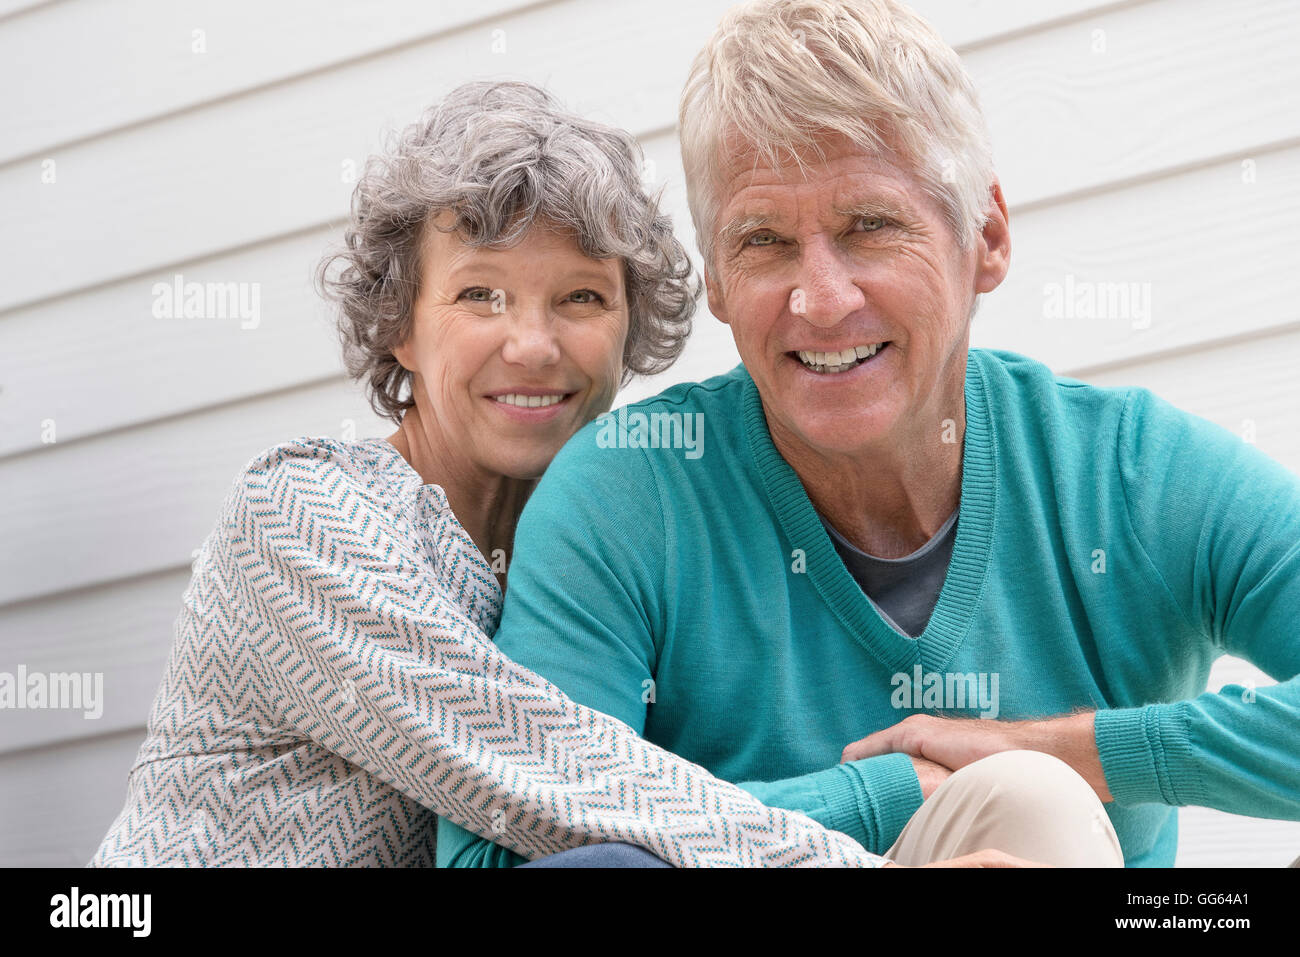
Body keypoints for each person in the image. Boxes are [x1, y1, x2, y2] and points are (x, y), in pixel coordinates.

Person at [437, 0, 1299, 868]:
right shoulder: (628, 494)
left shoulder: (1132, 476)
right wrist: (883, 794)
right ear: (720, 287)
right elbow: (498, 852)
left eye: (870, 227)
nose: (820, 298)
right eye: (764, 241)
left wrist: (1073, 753)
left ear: (986, 237)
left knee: (1030, 795)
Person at [88, 79, 889, 868]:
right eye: (481, 295)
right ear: (400, 324)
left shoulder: (596, 564)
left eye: (580, 297)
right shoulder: (303, 512)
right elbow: (543, 769)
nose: (534, 345)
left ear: (629, 329)